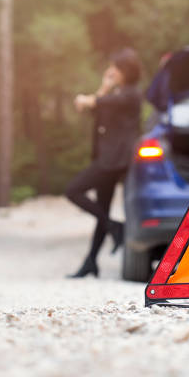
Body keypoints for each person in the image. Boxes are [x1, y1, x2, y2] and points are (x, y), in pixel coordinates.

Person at [66, 48, 142, 278]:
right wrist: (104, 88)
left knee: (73, 190)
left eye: (115, 68)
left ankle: (115, 227)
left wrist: (90, 97)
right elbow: (96, 107)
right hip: (107, 158)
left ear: (125, 71)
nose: (110, 71)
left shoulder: (130, 95)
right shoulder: (117, 95)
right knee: (102, 208)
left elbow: (92, 103)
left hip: (115, 161)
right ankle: (91, 261)